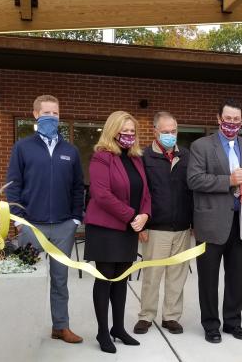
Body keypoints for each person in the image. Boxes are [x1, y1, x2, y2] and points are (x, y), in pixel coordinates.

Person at [6, 94, 85, 344]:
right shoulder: (22, 147)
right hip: (31, 226)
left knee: (60, 280)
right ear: (36, 115)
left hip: (63, 227)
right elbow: (13, 186)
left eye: (55, 113)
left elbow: (77, 188)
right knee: (27, 279)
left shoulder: (70, 151)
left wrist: (75, 219)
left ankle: (60, 327)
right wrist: (19, 221)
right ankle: (21, 330)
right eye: (47, 113)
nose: (51, 117)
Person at [187, 99, 242, 344]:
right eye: (228, 119)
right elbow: (195, 180)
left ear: (241, 121)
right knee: (208, 279)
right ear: (219, 119)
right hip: (210, 225)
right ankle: (211, 325)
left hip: (239, 223)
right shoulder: (201, 146)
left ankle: (233, 322)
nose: (232, 123)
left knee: (236, 278)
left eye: (236, 120)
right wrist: (228, 181)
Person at [84, 111, 151, 353]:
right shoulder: (102, 157)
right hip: (105, 228)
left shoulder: (135, 158)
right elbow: (101, 195)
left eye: (132, 132)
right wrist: (132, 216)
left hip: (128, 229)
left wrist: (144, 215)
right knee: (105, 280)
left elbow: (145, 192)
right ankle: (103, 332)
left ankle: (118, 328)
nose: (129, 136)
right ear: (113, 130)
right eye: (125, 131)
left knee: (122, 280)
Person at [133, 112, 193, 336]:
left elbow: (192, 190)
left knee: (177, 275)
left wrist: (193, 222)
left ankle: (171, 317)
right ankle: (146, 316)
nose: (170, 135)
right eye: (166, 131)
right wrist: (142, 223)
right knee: (152, 275)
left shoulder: (186, 155)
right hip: (155, 227)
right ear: (155, 131)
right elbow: (140, 192)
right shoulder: (143, 157)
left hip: (182, 227)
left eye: (174, 131)